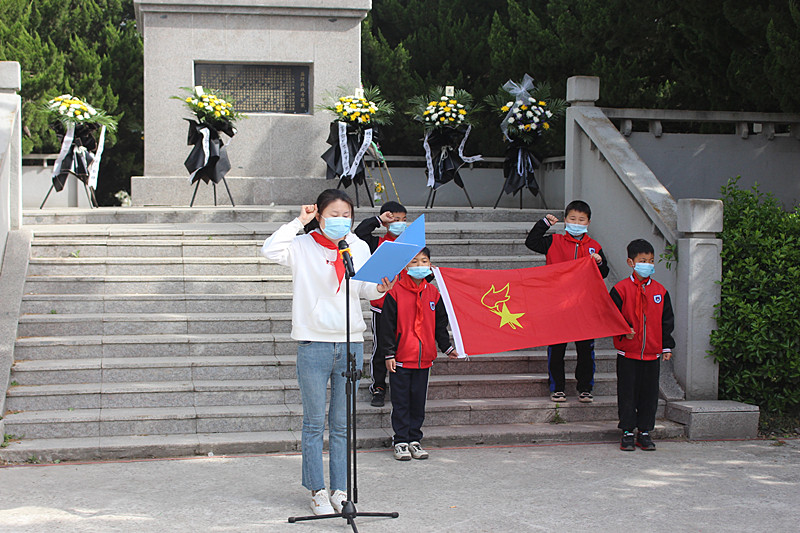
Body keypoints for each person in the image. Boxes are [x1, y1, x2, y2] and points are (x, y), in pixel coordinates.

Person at [261, 189, 396, 515]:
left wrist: (380, 286)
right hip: (313, 343)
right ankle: (316, 490)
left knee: (341, 423)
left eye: (346, 215)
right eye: (333, 214)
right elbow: (270, 249)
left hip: (350, 342)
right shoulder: (302, 246)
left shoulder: (358, 246)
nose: (340, 221)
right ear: (319, 215)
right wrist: (298, 222)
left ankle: (339, 489)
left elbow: (363, 287)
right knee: (313, 424)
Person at [525, 200, 609, 403]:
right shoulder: (554, 241)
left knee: (586, 350)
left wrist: (599, 263)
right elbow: (531, 242)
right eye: (573, 219)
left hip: (583, 307)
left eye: (581, 220)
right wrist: (544, 223)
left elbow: (604, 273)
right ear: (565, 220)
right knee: (556, 349)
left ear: (588, 223)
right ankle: (557, 388)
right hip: (557, 305)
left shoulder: (594, 247)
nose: (577, 223)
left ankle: (585, 387)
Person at [379, 247, 458, 461]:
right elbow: (386, 327)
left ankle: (415, 439)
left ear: (430, 265)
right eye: (414, 262)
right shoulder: (394, 292)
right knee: (401, 402)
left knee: (417, 402)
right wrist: (388, 354)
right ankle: (401, 441)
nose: (419, 266)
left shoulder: (434, 294)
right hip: (401, 360)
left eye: (424, 261)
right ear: (405, 266)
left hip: (424, 362)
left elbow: (440, 326)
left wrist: (447, 347)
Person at [609, 239, 675, 452]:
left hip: (652, 354)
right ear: (631, 262)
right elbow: (611, 317)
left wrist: (666, 346)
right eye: (643, 260)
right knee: (628, 393)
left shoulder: (660, 292)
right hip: (628, 353)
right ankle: (627, 431)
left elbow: (667, 322)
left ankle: (644, 431)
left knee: (649, 394)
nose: (648, 264)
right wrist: (624, 331)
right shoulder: (620, 290)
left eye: (651, 260)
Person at [354, 201, 409, 407]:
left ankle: (400, 384)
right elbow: (359, 233)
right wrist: (378, 220)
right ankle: (378, 386)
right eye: (395, 220)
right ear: (386, 221)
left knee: (403, 345)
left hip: (406, 303)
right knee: (382, 347)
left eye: (404, 220)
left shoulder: (410, 245)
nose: (400, 224)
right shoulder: (376, 243)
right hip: (382, 303)